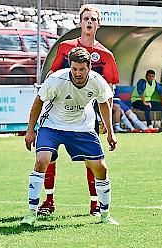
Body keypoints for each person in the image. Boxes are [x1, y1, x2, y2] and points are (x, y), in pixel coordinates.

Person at [37, 4, 120, 217]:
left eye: (93, 19)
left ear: (98, 24)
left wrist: (107, 124)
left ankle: (95, 204)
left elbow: (107, 92)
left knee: (91, 160)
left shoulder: (105, 55)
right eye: (86, 19)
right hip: (57, 111)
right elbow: (52, 74)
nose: (89, 22)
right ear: (80, 22)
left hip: (85, 115)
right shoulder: (65, 47)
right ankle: (48, 201)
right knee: (49, 157)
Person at [21, 47, 118, 226]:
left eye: (81, 69)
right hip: (52, 125)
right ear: (70, 67)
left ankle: (105, 215)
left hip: (82, 127)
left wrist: (110, 132)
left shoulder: (97, 81)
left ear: (89, 68)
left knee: (101, 168)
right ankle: (31, 214)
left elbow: (105, 103)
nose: (78, 73)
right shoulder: (57, 80)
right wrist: (30, 130)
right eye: (74, 69)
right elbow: (38, 102)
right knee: (42, 160)